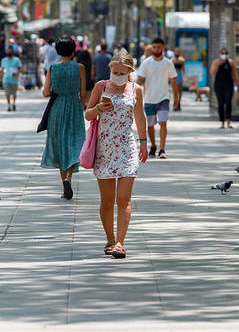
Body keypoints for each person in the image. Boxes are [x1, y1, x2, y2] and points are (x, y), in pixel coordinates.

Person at [86, 51, 148, 258]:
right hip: (104, 150)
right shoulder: (101, 86)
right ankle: (110, 239)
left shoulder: (136, 89)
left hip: (127, 149)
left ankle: (120, 243)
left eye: (122, 73)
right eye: (115, 72)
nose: (118, 76)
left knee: (124, 199)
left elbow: (140, 118)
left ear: (130, 72)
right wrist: (98, 108)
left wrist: (144, 142)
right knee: (107, 200)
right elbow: (87, 114)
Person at [41, 37, 87, 200]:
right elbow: (83, 94)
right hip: (74, 107)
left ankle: (64, 185)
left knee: (60, 145)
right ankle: (69, 177)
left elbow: (46, 93)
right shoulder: (80, 68)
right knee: (75, 142)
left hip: (57, 108)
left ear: (58, 51)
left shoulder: (52, 69)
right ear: (73, 50)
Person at [136, 38, 179, 159]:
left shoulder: (168, 63)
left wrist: (176, 98)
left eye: (158, 47)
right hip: (149, 99)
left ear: (163, 48)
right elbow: (139, 80)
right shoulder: (146, 63)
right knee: (150, 125)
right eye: (154, 47)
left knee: (163, 122)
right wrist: (135, 97)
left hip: (163, 98)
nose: (156, 49)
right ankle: (153, 145)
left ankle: (162, 149)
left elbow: (173, 82)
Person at [210, 47, 239, 129]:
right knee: (220, 103)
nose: (224, 55)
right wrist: (218, 64)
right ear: (220, 54)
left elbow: (235, 73)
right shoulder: (216, 62)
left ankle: (229, 121)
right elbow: (212, 72)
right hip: (219, 85)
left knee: (228, 102)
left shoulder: (230, 62)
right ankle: (222, 122)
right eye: (222, 53)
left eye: (226, 53)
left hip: (229, 85)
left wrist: (237, 84)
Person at [0, 46, 24, 111]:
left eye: (10, 51)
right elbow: (2, 69)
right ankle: (8, 105)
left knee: (14, 93)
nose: (9, 52)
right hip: (6, 79)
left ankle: (14, 103)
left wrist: (17, 74)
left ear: (13, 52)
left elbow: (20, 68)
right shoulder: (3, 60)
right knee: (7, 93)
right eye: (8, 51)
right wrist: (0, 76)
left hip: (14, 80)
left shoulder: (17, 60)